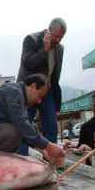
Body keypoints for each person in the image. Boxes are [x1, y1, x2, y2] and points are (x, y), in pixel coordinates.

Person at [0, 73, 65, 164]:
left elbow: (25, 127)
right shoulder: (14, 91)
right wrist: (48, 145)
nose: (39, 101)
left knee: (19, 130)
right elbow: (21, 125)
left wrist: (41, 148)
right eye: (40, 96)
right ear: (33, 86)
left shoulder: (20, 98)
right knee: (15, 132)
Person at [17, 18, 67, 155]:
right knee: (23, 123)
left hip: (48, 90)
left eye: (61, 38)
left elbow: (56, 76)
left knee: (51, 125)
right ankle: (22, 159)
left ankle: (51, 159)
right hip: (29, 89)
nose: (57, 40)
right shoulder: (31, 39)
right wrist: (43, 50)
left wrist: (57, 103)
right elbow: (28, 63)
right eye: (56, 36)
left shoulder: (60, 49)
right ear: (49, 31)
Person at [64, 91, 95, 164]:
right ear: (91, 105)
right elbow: (80, 150)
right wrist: (71, 147)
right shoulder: (85, 126)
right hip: (91, 169)